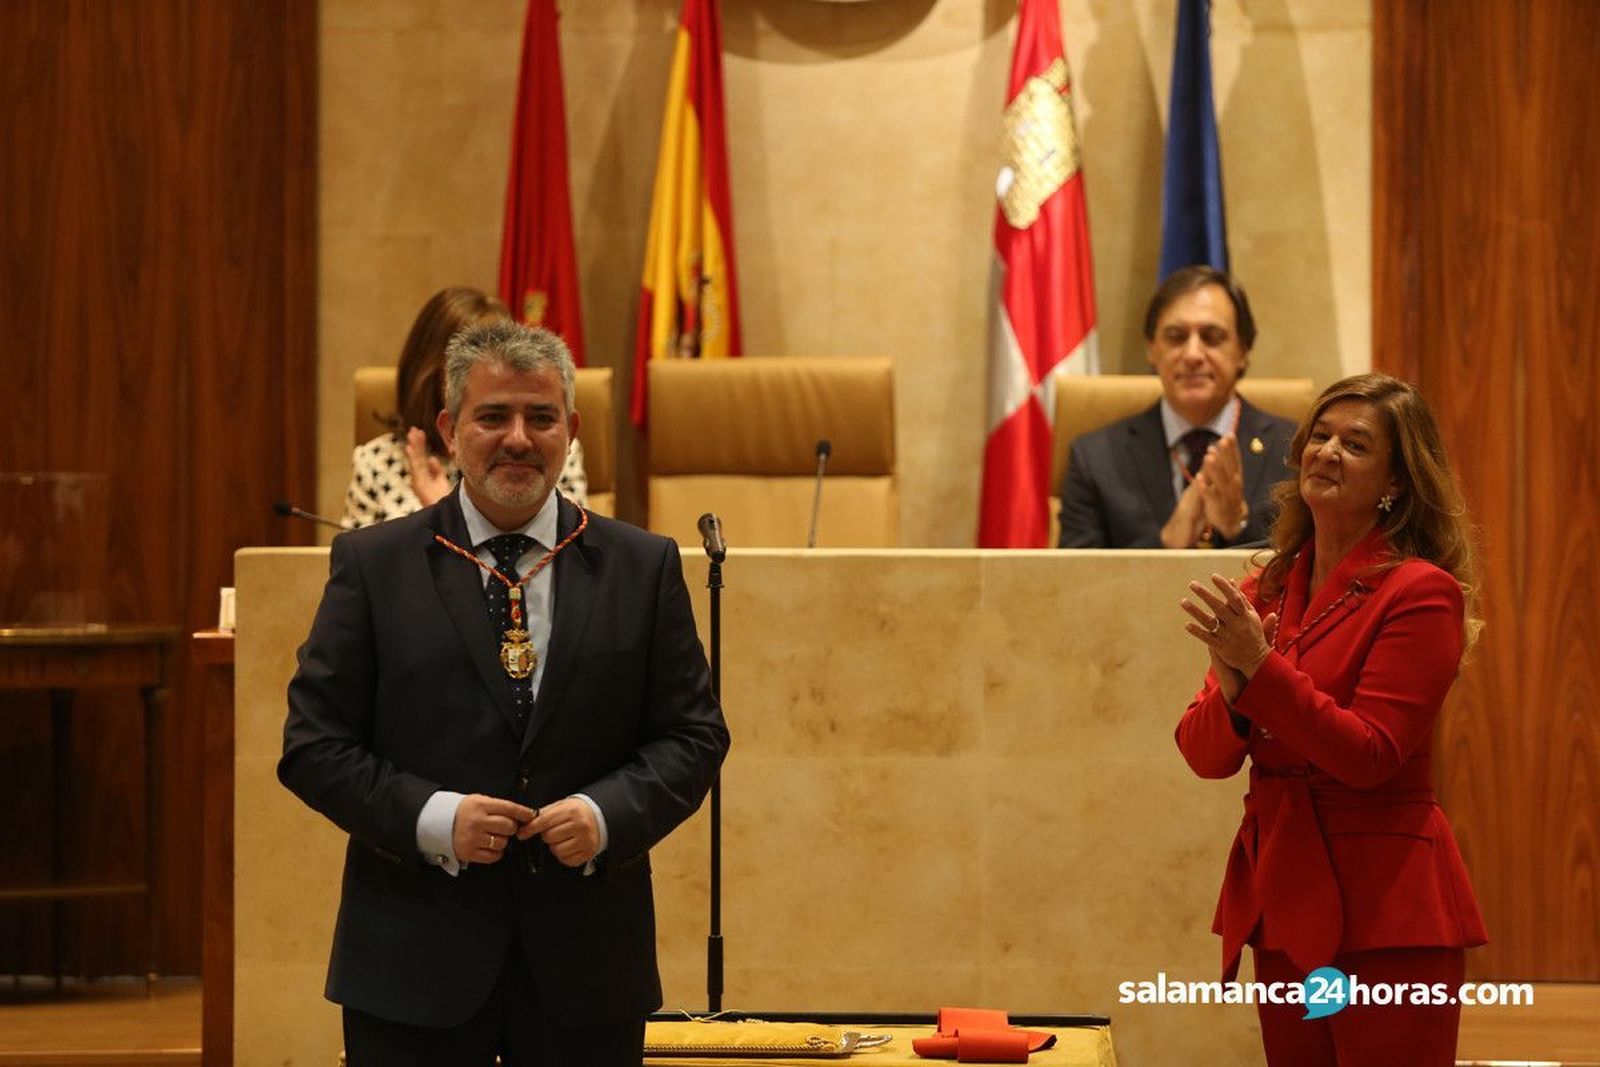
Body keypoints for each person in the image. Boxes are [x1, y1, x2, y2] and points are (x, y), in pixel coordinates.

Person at [280, 320, 729, 1065]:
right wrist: (435, 816)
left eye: (541, 417)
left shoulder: (641, 566)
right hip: (412, 964)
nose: (518, 438)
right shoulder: (374, 565)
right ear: (451, 429)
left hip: (588, 966)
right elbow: (313, 745)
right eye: (493, 416)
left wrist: (604, 812)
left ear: (571, 431)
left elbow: (694, 736)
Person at [1174, 373, 1486, 1065]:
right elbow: (1205, 756)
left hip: (1386, 901)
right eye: (1319, 435)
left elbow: (1370, 753)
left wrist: (1259, 669)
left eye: (1355, 442)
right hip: (1284, 892)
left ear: (1396, 481)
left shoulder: (1420, 592)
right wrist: (1231, 687)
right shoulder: (1267, 588)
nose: (1327, 450)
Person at [1057, 266, 1295, 548]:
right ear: (1152, 349)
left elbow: (1313, 570)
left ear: (1243, 351)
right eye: (1176, 336)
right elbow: (1075, 581)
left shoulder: (1293, 451)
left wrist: (1239, 526)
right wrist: (1167, 543)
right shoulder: (1095, 458)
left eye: (1212, 336)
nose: (1193, 354)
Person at [342, 286, 588, 528]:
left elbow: (570, 550)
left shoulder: (553, 449)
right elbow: (366, 564)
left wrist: (450, 515)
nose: (517, 440)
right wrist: (440, 517)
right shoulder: (377, 463)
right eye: (493, 417)